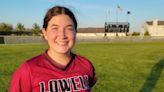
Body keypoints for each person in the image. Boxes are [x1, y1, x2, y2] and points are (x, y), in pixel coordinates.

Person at [9, 6, 97, 92]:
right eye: (55, 28)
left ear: (75, 32)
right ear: (45, 33)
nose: (62, 35)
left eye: (69, 28)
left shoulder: (86, 65)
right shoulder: (27, 70)